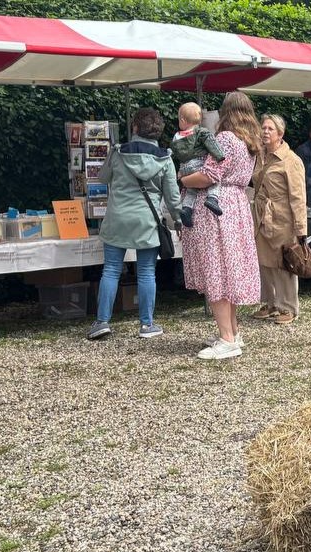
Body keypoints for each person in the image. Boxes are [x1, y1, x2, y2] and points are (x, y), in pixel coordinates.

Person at [177, 91, 264, 359]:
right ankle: (232, 332)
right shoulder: (251, 141)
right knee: (229, 269)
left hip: (216, 207)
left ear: (226, 112)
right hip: (236, 204)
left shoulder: (225, 138)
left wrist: (183, 180)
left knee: (216, 269)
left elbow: (209, 175)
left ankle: (227, 339)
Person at [87, 107, 180, 341]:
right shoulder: (165, 158)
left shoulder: (118, 152)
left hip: (117, 218)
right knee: (147, 273)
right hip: (146, 221)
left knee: (110, 270)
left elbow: (102, 178)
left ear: (135, 128)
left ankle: (102, 322)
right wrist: (178, 219)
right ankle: (146, 325)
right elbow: (172, 197)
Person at [251, 113, 308, 326]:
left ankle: (289, 307)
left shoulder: (291, 161)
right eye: (263, 128)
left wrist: (301, 228)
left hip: (283, 218)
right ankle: (270, 302)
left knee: (284, 263)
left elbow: (298, 196)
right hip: (262, 218)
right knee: (264, 263)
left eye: (270, 129)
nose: (265, 132)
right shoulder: (260, 156)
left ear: (280, 134)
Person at [170, 102, 225, 225]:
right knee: (214, 180)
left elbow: (174, 153)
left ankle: (187, 208)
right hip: (198, 164)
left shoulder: (177, 136)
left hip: (184, 168)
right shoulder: (201, 132)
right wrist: (220, 156)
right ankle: (212, 198)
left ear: (183, 120)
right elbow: (212, 144)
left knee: (191, 189)